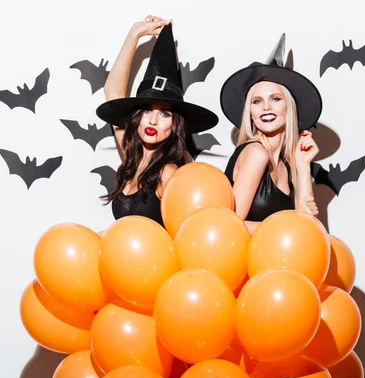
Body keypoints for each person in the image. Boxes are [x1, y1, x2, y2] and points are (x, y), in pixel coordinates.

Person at [95, 16, 219, 226]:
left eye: (164, 114)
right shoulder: (131, 159)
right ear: (136, 117)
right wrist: (135, 34)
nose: (153, 120)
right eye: (146, 110)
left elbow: (184, 235)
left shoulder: (169, 173)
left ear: (175, 124)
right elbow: (112, 91)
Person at [220, 34, 322, 234]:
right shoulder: (255, 153)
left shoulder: (288, 164)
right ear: (250, 112)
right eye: (257, 101)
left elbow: (308, 228)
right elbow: (231, 226)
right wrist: (291, 223)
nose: (266, 107)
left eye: (275, 99)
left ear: (289, 108)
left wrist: (303, 164)